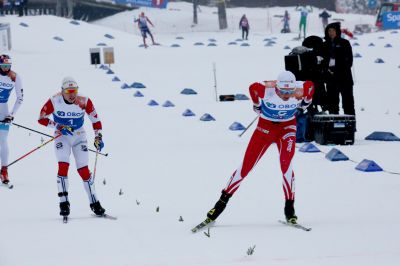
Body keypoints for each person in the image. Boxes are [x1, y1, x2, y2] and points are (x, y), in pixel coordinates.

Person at [204, 71, 314, 225]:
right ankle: (219, 205)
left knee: (286, 164)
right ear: (277, 87)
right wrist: (256, 104)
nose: (286, 95)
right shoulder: (267, 90)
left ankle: (290, 209)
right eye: (282, 91)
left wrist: (307, 100)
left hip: (287, 128)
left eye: (289, 92)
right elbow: (253, 87)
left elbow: (310, 85)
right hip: (265, 128)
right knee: (246, 166)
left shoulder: (300, 89)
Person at [38, 77, 106, 218]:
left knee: (83, 170)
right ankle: (64, 203)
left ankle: (94, 203)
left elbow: (96, 120)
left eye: (74, 91)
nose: (72, 94)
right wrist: (58, 126)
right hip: (61, 135)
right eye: (68, 91)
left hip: (79, 135)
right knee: (63, 165)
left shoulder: (84, 100)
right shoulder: (55, 100)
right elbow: (41, 118)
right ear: (62, 91)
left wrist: (98, 137)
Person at [321, 22, 355, 116]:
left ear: (337, 32)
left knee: (348, 104)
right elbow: (322, 61)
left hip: (345, 78)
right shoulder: (324, 45)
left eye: (333, 30)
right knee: (332, 105)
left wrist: (337, 66)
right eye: (329, 31)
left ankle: (350, 127)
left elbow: (349, 61)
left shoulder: (344, 43)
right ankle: (332, 127)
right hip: (331, 79)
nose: (331, 33)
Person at [0, 54, 24, 185]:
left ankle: (4, 170)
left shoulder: (14, 77)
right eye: (3, 66)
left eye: (8, 66)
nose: (5, 69)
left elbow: (20, 98)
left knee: (3, 140)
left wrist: (11, 115)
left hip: (3, 110)